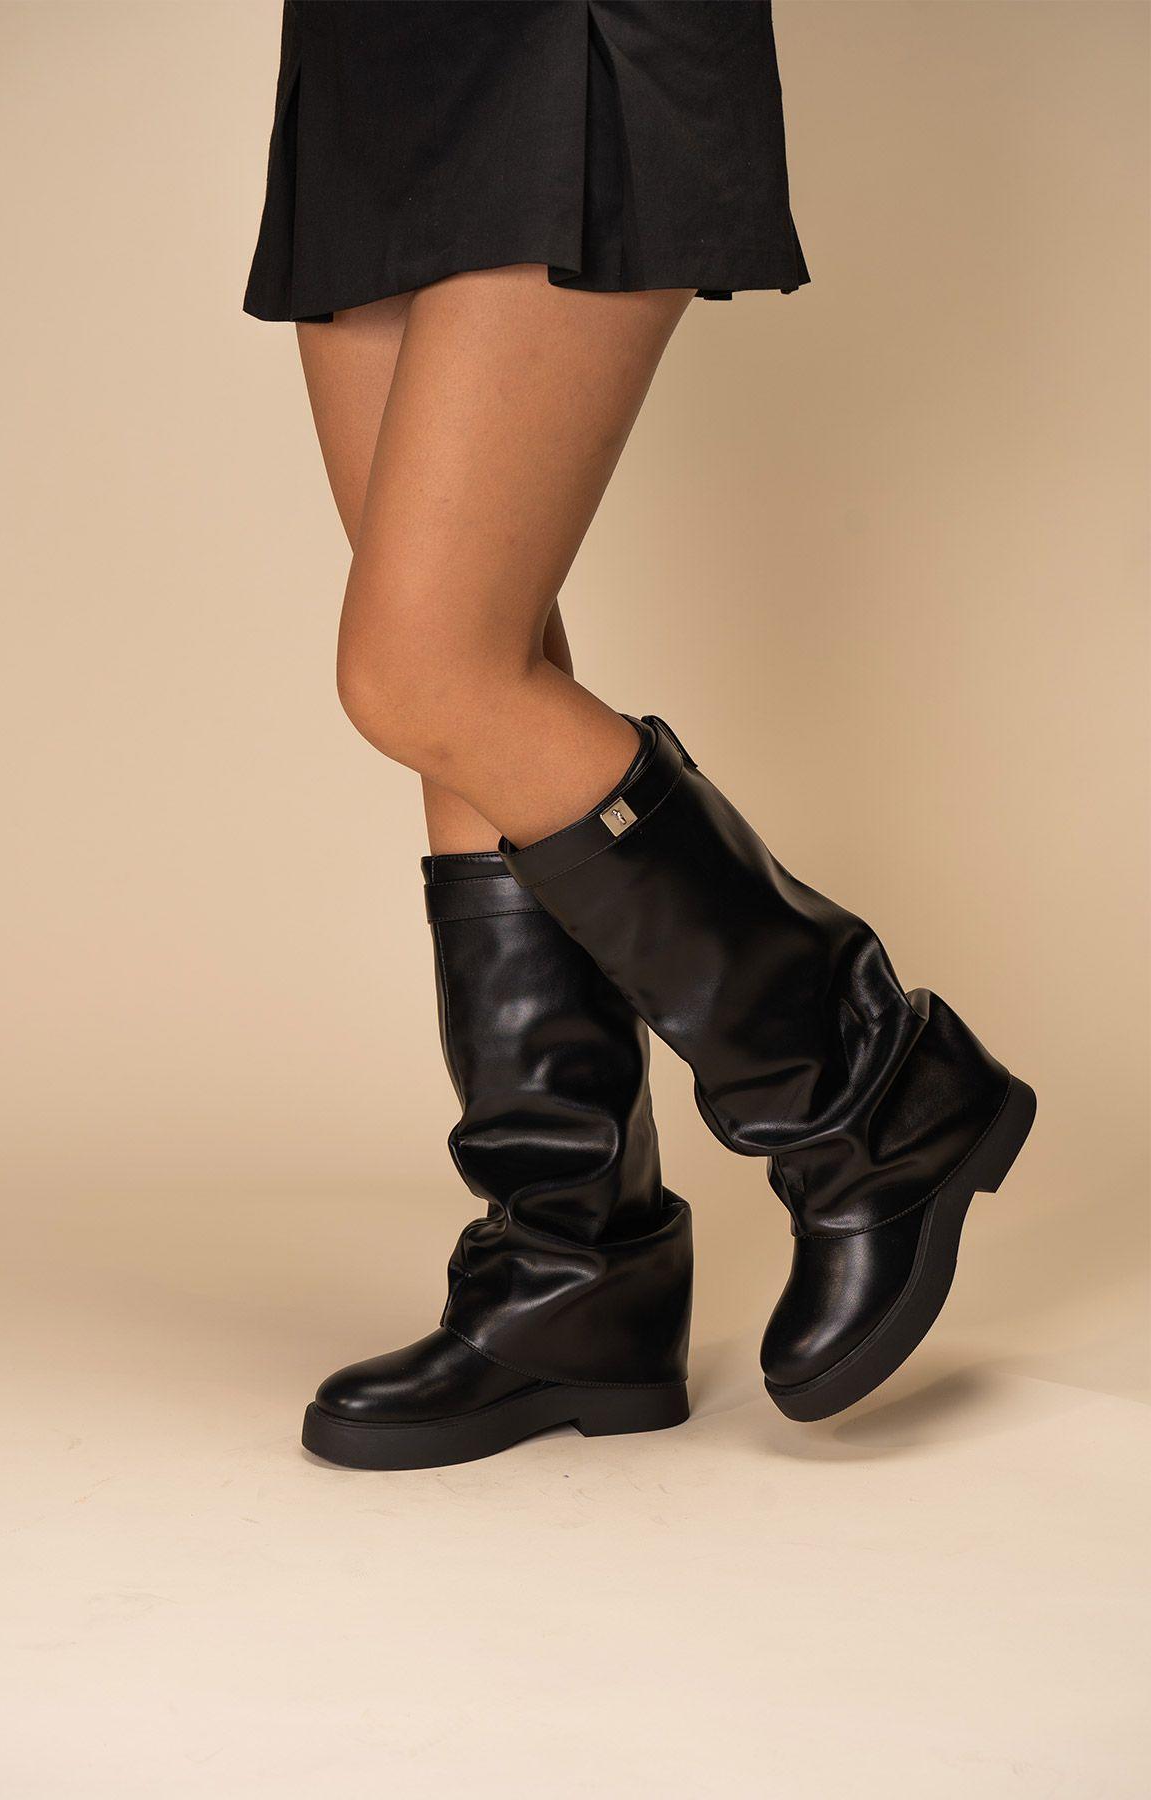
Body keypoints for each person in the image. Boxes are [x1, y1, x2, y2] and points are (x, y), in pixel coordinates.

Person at [243, 1, 1034, 1470]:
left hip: (562, 34)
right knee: (477, 685)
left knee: (426, 670)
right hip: (368, 49)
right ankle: (571, 1266)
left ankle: (868, 1087)